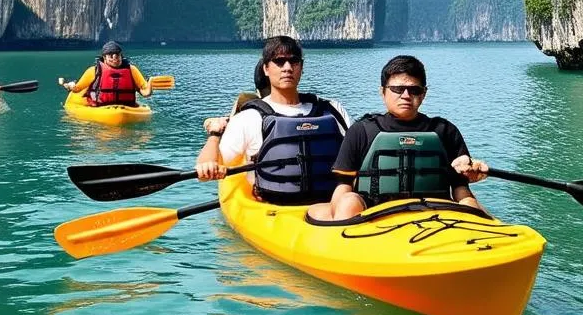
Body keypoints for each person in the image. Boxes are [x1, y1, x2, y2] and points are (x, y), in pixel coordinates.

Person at [307, 54, 489, 222]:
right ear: (383, 92)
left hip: (435, 213)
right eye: (397, 89)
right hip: (375, 212)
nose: (406, 95)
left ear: (424, 93)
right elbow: (344, 184)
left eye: (414, 90)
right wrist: (335, 217)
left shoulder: (445, 131)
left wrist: (472, 196)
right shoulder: (362, 131)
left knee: (469, 205)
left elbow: (460, 189)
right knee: (348, 201)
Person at [196, 36, 350, 204]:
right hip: (274, 208)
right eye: (279, 61)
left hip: (332, 204)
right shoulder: (249, 118)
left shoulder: (332, 109)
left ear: (301, 67)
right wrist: (214, 134)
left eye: (294, 61)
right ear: (266, 69)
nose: (287, 68)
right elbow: (206, 172)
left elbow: (359, 153)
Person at [63, 41, 152, 105]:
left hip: (127, 106)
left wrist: (150, 85)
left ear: (121, 56)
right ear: (104, 58)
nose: (115, 58)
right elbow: (78, 88)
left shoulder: (132, 70)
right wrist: (71, 86)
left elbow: (145, 90)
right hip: (100, 106)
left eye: (117, 55)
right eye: (111, 55)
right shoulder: (94, 71)